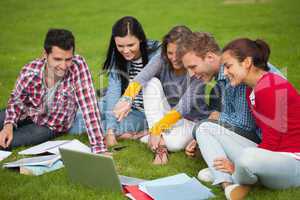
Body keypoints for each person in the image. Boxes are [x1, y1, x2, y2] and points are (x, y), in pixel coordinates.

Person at [194, 38, 300, 199]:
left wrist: (236, 165)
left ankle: (235, 175)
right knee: (205, 127)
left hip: (291, 162)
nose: (226, 72)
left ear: (247, 62)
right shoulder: (251, 89)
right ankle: (227, 182)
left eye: (229, 66)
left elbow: (271, 143)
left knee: (247, 158)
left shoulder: (271, 86)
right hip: (270, 155)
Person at [113, 26, 210, 164]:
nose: (174, 58)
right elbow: (141, 78)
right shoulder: (162, 59)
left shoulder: (197, 69)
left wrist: (157, 129)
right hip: (168, 114)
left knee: (175, 145)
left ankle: (148, 134)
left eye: (179, 53)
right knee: (150, 83)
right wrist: (126, 99)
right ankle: (161, 147)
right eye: (170, 53)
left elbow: (183, 108)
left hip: (190, 119)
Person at [0, 29, 107, 153]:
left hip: (49, 126)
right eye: (57, 59)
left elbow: (89, 106)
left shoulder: (78, 66)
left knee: (6, 142)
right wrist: (9, 125)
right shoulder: (30, 70)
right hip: (27, 113)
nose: (63, 66)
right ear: (45, 55)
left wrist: (98, 147)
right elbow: (17, 100)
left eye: (68, 59)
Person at [178, 32, 283, 157]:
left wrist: (215, 120)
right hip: (267, 137)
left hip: (274, 144)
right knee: (205, 126)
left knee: (202, 127)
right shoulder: (226, 75)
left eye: (193, 67)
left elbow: (245, 124)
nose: (191, 74)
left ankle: (225, 172)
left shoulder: (238, 74)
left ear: (210, 57)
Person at [70, 16, 160, 146]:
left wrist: (110, 129)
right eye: (120, 46)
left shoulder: (157, 54)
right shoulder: (117, 55)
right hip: (119, 104)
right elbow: (114, 90)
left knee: (92, 127)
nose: (126, 50)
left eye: (131, 45)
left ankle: (144, 132)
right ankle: (34, 119)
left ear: (141, 39)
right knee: (77, 117)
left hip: (141, 112)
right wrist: (110, 131)